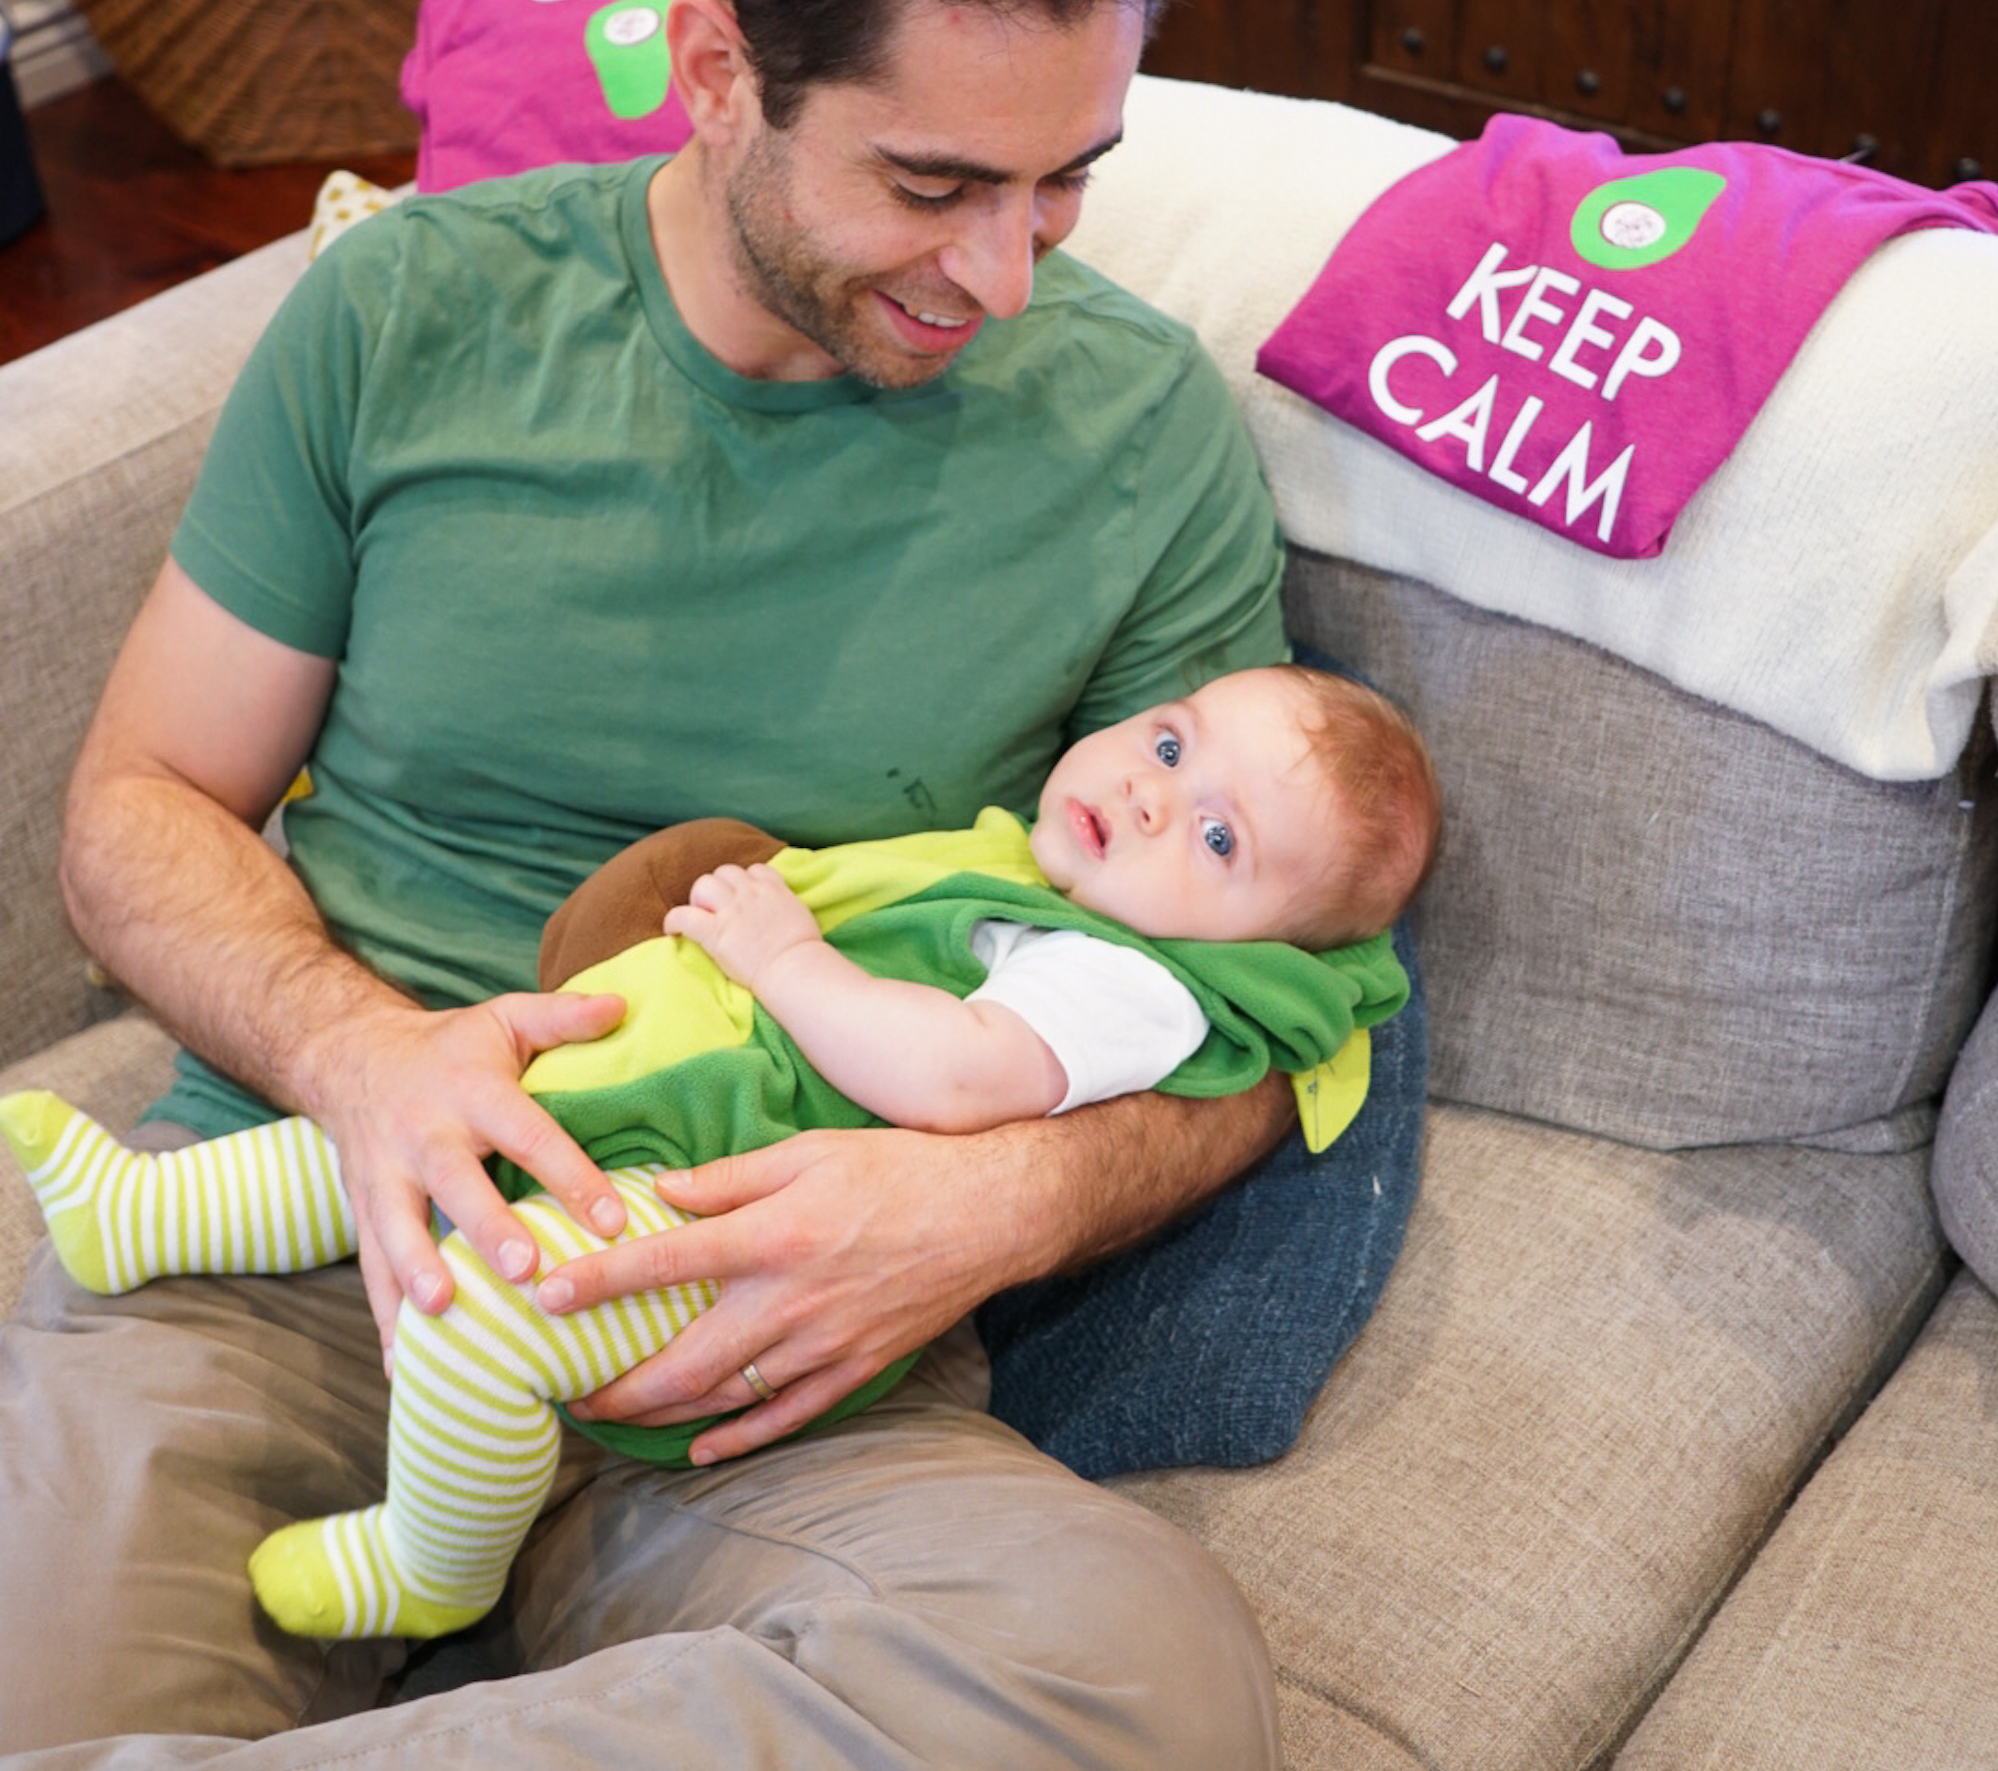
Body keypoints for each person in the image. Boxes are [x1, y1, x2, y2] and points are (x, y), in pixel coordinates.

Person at [0, 0, 1322, 1771]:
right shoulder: (406, 314)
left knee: (1139, 1704)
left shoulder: (1135, 429)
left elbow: (1274, 1012)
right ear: (717, 67)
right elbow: (138, 805)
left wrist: (988, 1203)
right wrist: (361, 1057)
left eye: (1066, 179)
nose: (1008, 273)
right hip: (291, 1254)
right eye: (932, 183)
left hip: (750, 1343)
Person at [2, 665, 1437, 1645]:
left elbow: (951, 1074)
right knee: (411, 1143)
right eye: (1171, 745)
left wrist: (788, 958)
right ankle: (153, 1211)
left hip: (729, 1218)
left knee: (488, 1304)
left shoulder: (1134, 982)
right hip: (640, 1113)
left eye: (1221, 839)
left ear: (1264, 943)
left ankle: (431, 1561)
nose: (1154, 794)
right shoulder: (1033, 874)